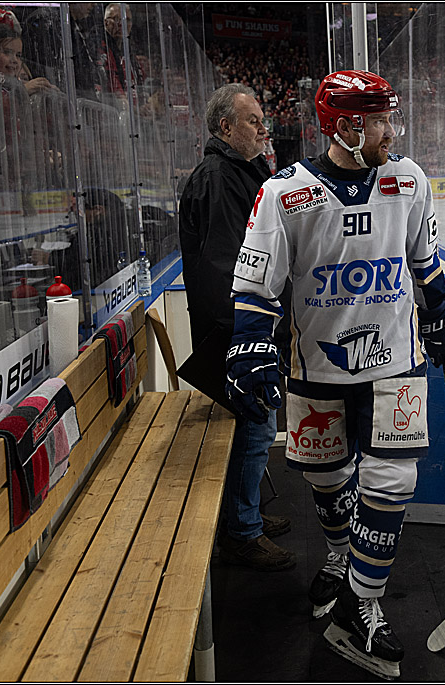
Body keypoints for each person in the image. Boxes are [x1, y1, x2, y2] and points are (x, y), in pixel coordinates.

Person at [226, 70, 445, 679]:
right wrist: (250, 345)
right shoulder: (286, 192)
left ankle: (363, 602)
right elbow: (256, 284)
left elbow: (425, 264)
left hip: (396, 366)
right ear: (349, 128)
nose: (393, 130)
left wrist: (440, 314)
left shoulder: (408, 181)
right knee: (328, 478)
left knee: (391, 482)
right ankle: (340, 553)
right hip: (317, 366)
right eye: (382, 120)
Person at [178, 83, 295, 571]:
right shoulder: (221, 178)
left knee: (255, 424)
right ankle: (242, 531)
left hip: (241, 328)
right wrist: (247, 340)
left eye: (262, 118)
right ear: (225, 127)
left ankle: (244, 515)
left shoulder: (237, 173)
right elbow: (227, 265)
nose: (263, 127)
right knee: (256, 423)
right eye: (252, 120)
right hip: (236, 332)